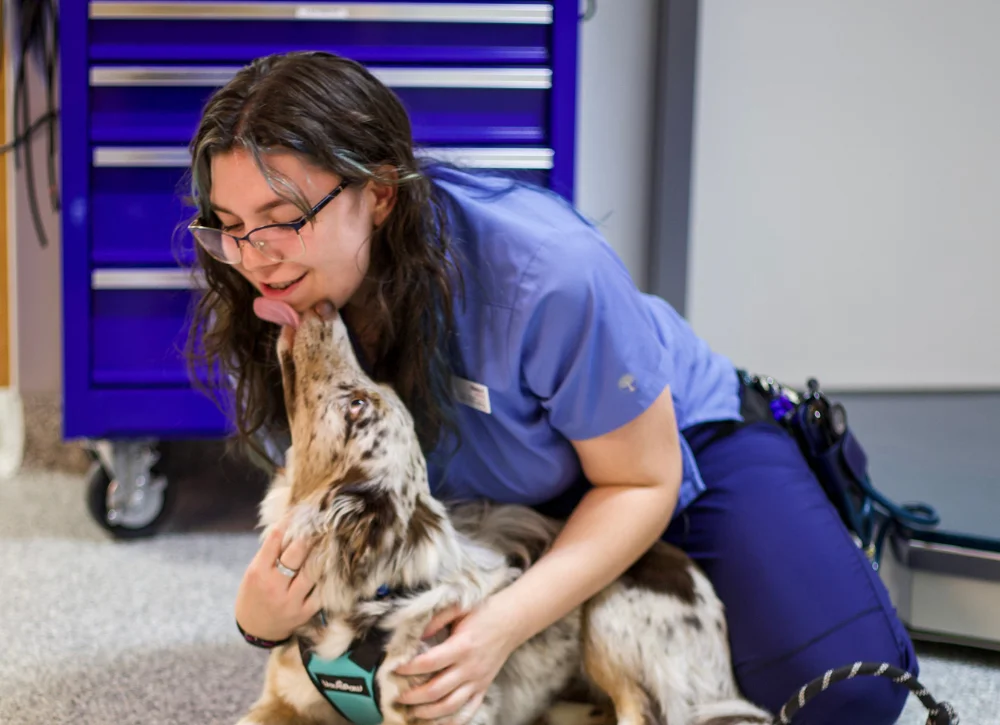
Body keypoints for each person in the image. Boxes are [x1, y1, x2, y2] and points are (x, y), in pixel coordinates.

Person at [183, 50, 918, 725]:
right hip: (499, 509)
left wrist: (499, 628)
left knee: (849, 694)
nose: (255, 257)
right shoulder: (275, 297)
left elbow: (641, 481)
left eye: (283, 220)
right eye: (229, 225)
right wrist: (258, 616)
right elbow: (340, 521)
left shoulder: (545, 270)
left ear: (379, 193)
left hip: (664, 459)